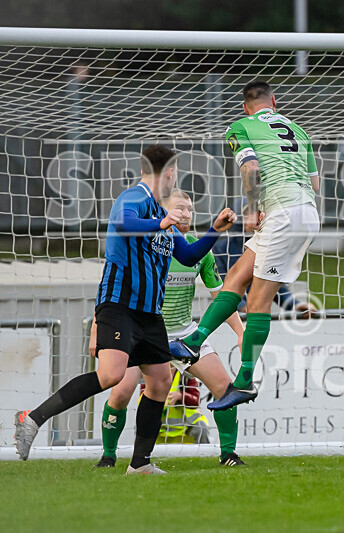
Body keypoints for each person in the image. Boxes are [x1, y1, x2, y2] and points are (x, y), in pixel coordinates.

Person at [13, 145, 236, 474]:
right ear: (168, 171)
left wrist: (215, 229)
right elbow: (123, 222)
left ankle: (140, 464)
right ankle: (31, 419)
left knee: (160, 380)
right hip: (120, 306)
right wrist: (161, 223)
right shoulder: (135, 198)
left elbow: (188, 257)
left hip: (149, 314)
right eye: (175, 170)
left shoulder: (164, 217)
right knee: (112, 377)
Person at [171, 80, 320, 410]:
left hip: (282, 214)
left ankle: (245, 380)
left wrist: (253, 209)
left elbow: (251, 167)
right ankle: (193, 342)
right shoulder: (299, 130)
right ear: (274, 101)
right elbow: (315, 183)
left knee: (257, 301)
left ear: (245, 106)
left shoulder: (241, 125)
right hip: (306, 211)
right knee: (237, 276)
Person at [94, 190, 246, 468]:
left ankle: (229, 455)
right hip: (143, 332)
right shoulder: (143, 245)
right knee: (120, 391)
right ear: (161, 212)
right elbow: (111, 290)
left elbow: (220, 295)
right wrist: (96, 331)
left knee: (226, 389)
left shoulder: (198, 253)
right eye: (180, 208)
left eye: (190, 209)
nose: (187, 214)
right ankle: (108, 456)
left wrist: (240, 330)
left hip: (184, 335)